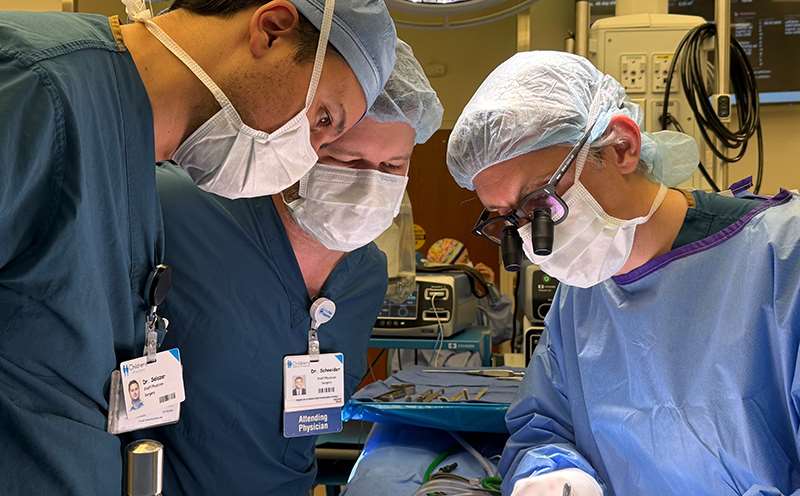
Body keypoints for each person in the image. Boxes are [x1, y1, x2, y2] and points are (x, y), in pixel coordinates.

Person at [0, 0, 395, 492]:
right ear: (271, 30)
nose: (308, 156)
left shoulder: (133, 166)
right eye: (322, 119)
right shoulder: (35, 90)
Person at [446, 51, 800, 496]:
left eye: (539, 204)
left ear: (621, 147)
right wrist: (552, 474)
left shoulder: (784, 258)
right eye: (509, 218)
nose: (535, 239)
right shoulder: (580, 294)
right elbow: (545, 425)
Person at [133, 39, 443, 494]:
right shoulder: (176, 210)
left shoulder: (364, 275)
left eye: (392, 166)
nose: (366, 186)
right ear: (299, 142)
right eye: (345, 160)